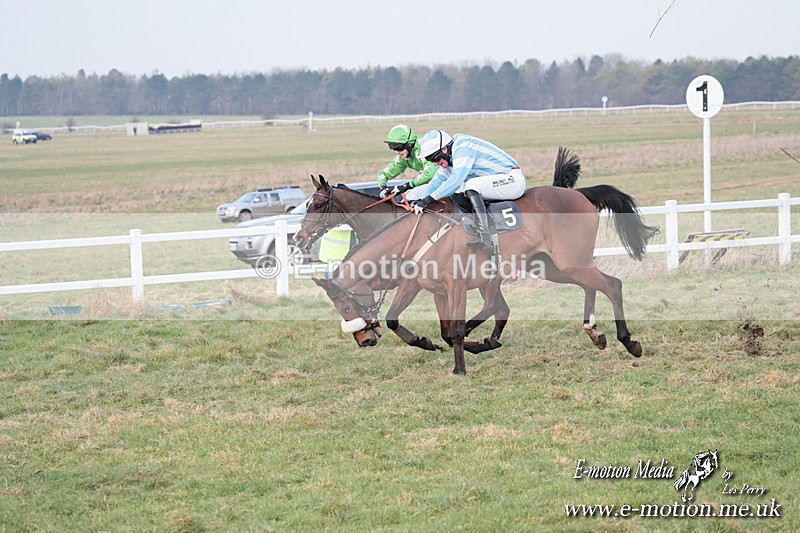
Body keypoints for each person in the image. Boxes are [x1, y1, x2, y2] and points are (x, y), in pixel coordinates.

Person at [414, 129, 526, 254]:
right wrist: (421, 200)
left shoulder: (463, 147)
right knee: (458, 191)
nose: (435, 163)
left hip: (512, 180)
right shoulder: (449, 157)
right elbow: (436, 182)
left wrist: (430, 198)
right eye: (430, 160)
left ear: (444, 149)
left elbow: (456, 180)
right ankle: (475, 229)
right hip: (497, 181)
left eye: (434, 158)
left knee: (470, 185)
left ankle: (486, 238)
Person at [376, 124, 439, 200]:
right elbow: (382, 174)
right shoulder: (403, 157)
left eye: (399, 147)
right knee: (406, 198)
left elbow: (430, 174)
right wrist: (383, 187)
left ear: (409, 143)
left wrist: (408, 185)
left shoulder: (423, 148)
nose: (397, 152)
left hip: (448, 179)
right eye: (392, 147)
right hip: (432, 183)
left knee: (411, 197)